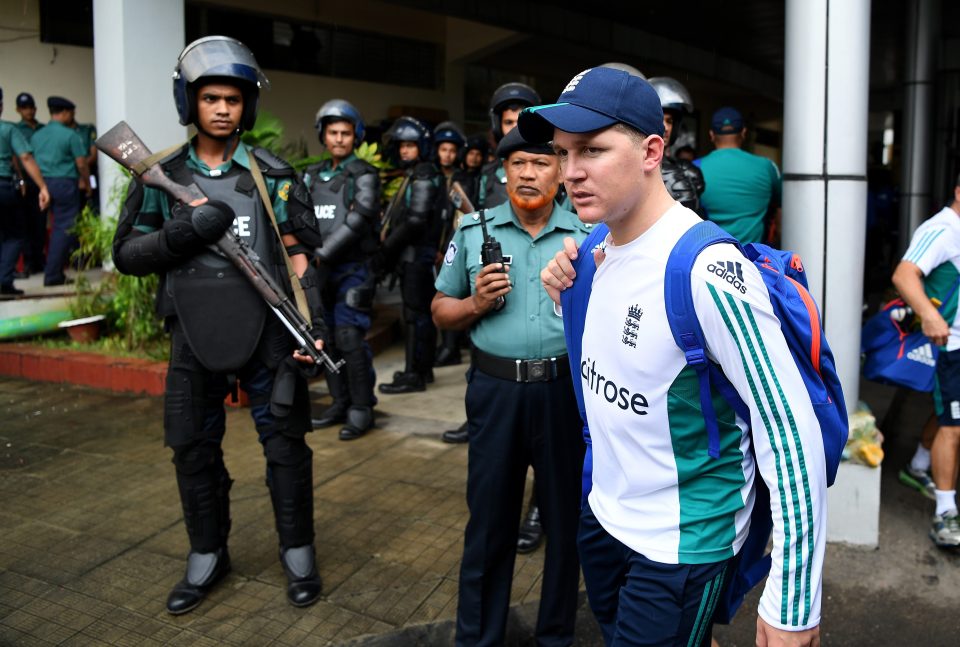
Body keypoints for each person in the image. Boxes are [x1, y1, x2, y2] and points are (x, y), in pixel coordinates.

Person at [530, 66, 827, 646]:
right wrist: (565, 295)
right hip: (606, 516)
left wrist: (794, 600)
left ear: (651, 150)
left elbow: (791, 434)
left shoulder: (710, 274)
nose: (570, 173)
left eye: (592, 149)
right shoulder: (593, 247)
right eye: (563, 153)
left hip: (682, 540)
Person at [112, 35, 327, 614]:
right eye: (211, 97)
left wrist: (315, 325)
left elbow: (300, 254)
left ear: (246, 105)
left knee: (285, 445)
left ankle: (298, 549)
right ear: (191, 102)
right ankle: (207, 553)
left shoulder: (274, 175)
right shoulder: (160, 174)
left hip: (269, 331)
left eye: (233, 98)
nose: (224, 108)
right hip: (191, 333)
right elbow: (125, 254)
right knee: (191, 447)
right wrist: (183, 233)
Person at [432, 126, 591, 646]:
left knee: (566, 527)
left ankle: (556, 638)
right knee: (490, 525)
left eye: (541, 163)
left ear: (561, 172)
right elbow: (440, 310)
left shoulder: (588, 235)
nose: (528, 173)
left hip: (564, 394)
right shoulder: (472, 231)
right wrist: (476, 303)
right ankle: (479, 639)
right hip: (496, 393)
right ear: (503, 171)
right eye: (518, 163)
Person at [303, 99, 381, 441]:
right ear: (323, 135)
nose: (338, 139)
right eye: (332, 132)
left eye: (345, 133)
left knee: (349, 337)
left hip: (353, 268)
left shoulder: (364, 173)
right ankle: (339, 402)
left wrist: (322, 253)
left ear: (356, 136)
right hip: (318, 270)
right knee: (326, 338)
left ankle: (362, 408)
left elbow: (361, 216)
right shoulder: (310, 174)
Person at [891, 177, 960, 547]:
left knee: (951, 413)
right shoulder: (943, 229)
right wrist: (930, 316)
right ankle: (945, 513)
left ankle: (918, 465)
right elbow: (904, 274)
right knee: (955, 426)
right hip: (952, 345)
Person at [377, 116, 442, 394]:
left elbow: (416, 219)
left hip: (417, 256)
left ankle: (415, 374)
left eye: (410, 145)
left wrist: (386, 248)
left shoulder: (424, 173)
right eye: (402, 145)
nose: (404, 150)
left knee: (416, 315)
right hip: (413, 256)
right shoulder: (417, 173)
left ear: (422, 147)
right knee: (416, 314)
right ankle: (419, 370)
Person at [696, 107, 781, 244]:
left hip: (708, 259)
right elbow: (780, 211)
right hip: (753, 260)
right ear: (743, 132)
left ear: (711, 134)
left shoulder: (694, 169)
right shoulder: (767, 167)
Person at [30, 96, 90, 286]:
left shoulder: (37, 135)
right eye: (71, 113)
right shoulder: (70, 135)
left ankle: (41, 267)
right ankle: (53, 274)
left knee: (40, 227)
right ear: (64, 113)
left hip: (41, 185)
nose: (72, 117)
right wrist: (87, 184)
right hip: (64, 183)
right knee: (63, 228)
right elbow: (81, 164)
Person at [0, 87, 50, 296]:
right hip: (3, 187)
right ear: (1, 106)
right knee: (14, 235)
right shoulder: (8, 129)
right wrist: (43, 186)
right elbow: (26, 158)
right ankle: (3, 282)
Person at [432, 120, 468, 368]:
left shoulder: (462, 178)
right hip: (432, 244)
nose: (447, 155)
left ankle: (451, 347)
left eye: (452, 150)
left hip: (452, 242)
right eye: (443, 149)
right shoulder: (430, 175)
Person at [476, 82, 541, 211]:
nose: (515, 128)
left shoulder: (551, 170)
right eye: (508, 122)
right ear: (497, 127)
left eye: (520, 121)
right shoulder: (487, 175)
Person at [648, 76, 706, 215]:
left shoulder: (687, 171)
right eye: (660, 119)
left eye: (670, 121)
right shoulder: (632, 167)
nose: (666, 127)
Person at [14, 92, 47, 275]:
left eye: (31, 107)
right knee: (25, 224)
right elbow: (19, 158)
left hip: (42, 181)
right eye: (24, 108)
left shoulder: (44, 128)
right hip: (25, 183)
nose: (28, 111)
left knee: (40, 223)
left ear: (35, 108)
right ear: (18, 110)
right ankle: (29, 261)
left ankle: (39, 259)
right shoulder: (16, 129)